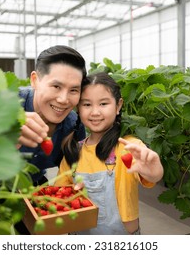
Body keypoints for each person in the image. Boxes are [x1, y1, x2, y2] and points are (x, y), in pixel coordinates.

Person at [55, 72, 164, 235]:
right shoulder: (73, 152)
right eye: (86, 105)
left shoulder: (128, 147)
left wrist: (154, 172)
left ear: (118, 105)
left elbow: (152, 176)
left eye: (103, 104)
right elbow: (59, 197)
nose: (95, 112)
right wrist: (71, 197)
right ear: (78, 108)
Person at [18, 45, 87, 186]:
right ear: (34, 80)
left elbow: (75, 169)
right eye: (56, 86)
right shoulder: (5, 107)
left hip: (35, 185)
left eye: (73, 90)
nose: (63, 99)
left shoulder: (74, 125)